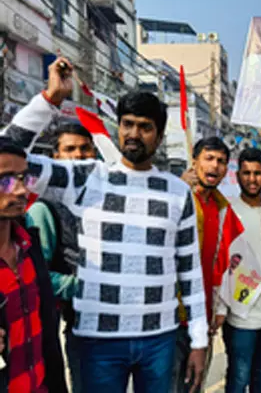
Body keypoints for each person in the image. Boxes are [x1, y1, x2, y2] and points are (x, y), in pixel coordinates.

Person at [2, 57, 208, 393]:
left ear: (158, 135)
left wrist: (198, 340)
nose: (133, 134)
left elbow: (190, 271)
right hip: (96, 340)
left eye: (144, 127)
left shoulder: (178, 192)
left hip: (160, 339)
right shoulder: (88, 177)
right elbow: (7, 152)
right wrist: (50, 99)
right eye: (127, 124)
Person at [24, 122, 97, 393]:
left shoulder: (103, 199)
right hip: (65, 320)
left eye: (85, 149)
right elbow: (37, 273)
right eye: (70, 149)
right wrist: (84, 286)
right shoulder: (44, 207)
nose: (78, 156)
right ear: (55, 157)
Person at [213, 148, 261, 393]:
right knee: (238, 375)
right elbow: (221, 263)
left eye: (257, 173)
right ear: (238, 176)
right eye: (246, 173)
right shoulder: (227, 211)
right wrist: (221, 308)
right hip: (240, 314)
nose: (252, 179)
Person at [0, 137, 68, 393]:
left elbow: (48, 339)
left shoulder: (29, 248)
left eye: (23, 178)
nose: (19, 190)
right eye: (5, 180)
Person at [173, 136, 232, 392]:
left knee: (195, 384)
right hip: (172, 317)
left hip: (203, 315)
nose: (215, 166)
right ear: (194, 162)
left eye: (221, 161)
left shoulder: (221, 208)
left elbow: (225, 262)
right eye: (209, 158)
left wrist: (220, 306)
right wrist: (177, 189)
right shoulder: (177, 197)